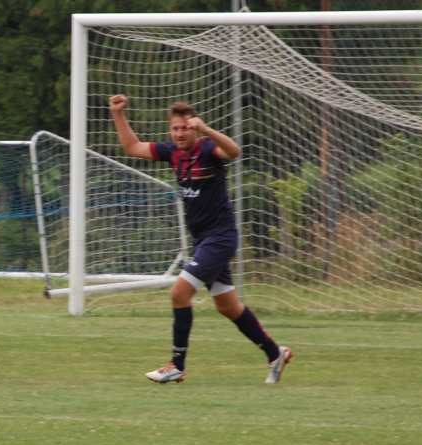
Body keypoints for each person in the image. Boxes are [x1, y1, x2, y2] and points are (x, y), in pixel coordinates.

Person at [109, 94, 293, 384]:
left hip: (220, 239)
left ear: (195, 128)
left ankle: (177, 365)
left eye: (185, 128)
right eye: (175, 129)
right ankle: (275, 353)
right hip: (204, 241)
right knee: (228, 307)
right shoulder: (172, 152)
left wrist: (207, 130)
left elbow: (234, 152)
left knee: (179, 293)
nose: (180, 133)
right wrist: (118, 114)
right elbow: (132, 147)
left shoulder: (209, 150)